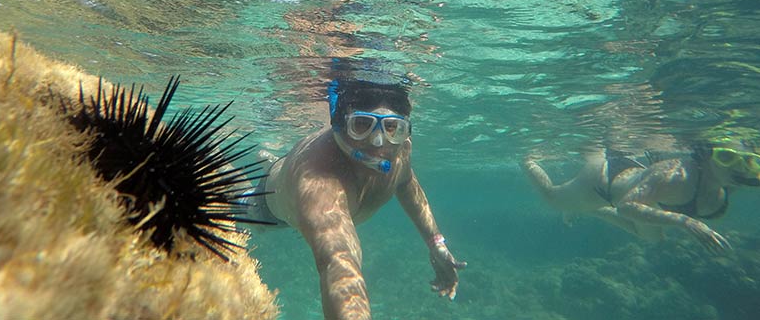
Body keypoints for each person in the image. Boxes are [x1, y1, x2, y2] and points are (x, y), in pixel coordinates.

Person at [247, 77, 465, 320]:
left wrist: (436, 243)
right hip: (267, 206)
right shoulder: (319, 180)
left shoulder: (400, 151)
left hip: (299, 197)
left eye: (392, 127)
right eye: (362, 125)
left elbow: (407, 185)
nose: (379, 141)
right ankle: (256, 164)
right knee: (238, 211)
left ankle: (269, 159)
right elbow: (338, 264)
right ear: (339, 125)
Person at [521, 144, 760, 253]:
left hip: (637, 190)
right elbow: (626, 207)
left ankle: (593, 210)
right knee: (552, 199)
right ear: (706, 157)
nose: (740, 166)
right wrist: (686, 222)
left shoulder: (729, 181)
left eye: (748, 159)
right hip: (603, 180)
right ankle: (526, 159)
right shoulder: (676, 175)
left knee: (653, 240)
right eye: (727, 157)